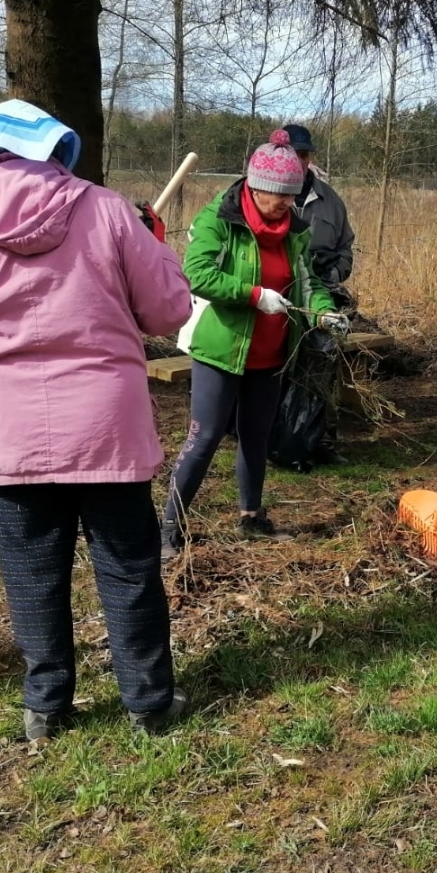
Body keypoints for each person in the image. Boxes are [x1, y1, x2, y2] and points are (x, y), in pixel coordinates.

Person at [0, 99, 193, 742]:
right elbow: (170, 310)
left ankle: (46, 707)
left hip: (11, 437)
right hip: (107, 430)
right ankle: (149, 704)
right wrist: (155, 245)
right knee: (126, 567)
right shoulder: (110, 212)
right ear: (56, 150)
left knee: (32, 574)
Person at [163, 129, 347, 556]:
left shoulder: (295, 230)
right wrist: (254, 294)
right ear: (255, 186)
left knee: (257, 436)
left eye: (292, 195)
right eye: (278, 195)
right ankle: (170, 526)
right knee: (205, 436)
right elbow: (199, 275)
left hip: (271, 354)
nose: (286, 203)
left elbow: (307, 281)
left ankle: (251, 518)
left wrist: (321, 310)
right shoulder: (218, 220)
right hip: (220, 350)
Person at [281, 122, 356, 467]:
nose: (299, 161)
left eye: (304, 154)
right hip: (276, 298)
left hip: (321, 295)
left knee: (323, 362)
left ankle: (320, 439)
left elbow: (346, 245)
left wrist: (336, 272)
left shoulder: (329, 200)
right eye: (293, 154)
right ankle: (279, 438)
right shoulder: (266, 194)